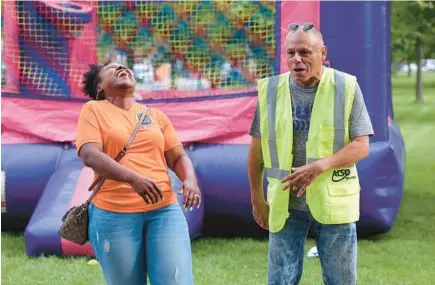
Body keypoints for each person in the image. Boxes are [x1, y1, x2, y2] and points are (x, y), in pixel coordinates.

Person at [247, 22, 374, 285]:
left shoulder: (346, 86)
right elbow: (256, 152)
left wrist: (321, 166)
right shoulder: (270, 91)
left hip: (333, 201)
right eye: (291, 53)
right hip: (284, 204)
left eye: (305, 52)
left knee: (340, 280)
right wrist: (256, 199)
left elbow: (361, 145)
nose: (297, 60)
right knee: (280, 281)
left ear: (322, 53)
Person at [76, 62, 201, 285]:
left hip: (164, 211)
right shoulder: (93, 110)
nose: (122, 67)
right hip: (113, 214)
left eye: (125, 66)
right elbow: (90, 155)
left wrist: (189, 179)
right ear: (100, 87)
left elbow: (178, 157)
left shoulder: (155, 116)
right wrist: (132, 178)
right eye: (113, 67)